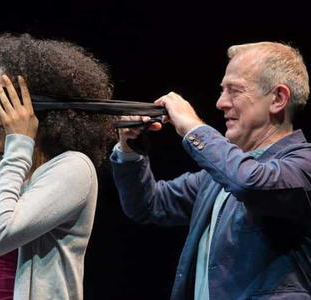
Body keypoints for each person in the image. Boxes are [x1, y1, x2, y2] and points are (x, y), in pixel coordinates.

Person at [111, 42, 311, 299]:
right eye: (221, 91)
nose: (220, 103)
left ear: (278, 99)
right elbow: (148, 204)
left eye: (234, 91)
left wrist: (192, 127)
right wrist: (130, 148)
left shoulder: (304, 162)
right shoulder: (217, 178)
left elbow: (250, 183)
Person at [0, 33, 117, 300]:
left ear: (36, 108)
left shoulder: (73, 168)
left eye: (2, 101)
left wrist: (17, 145)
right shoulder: (2, 164)